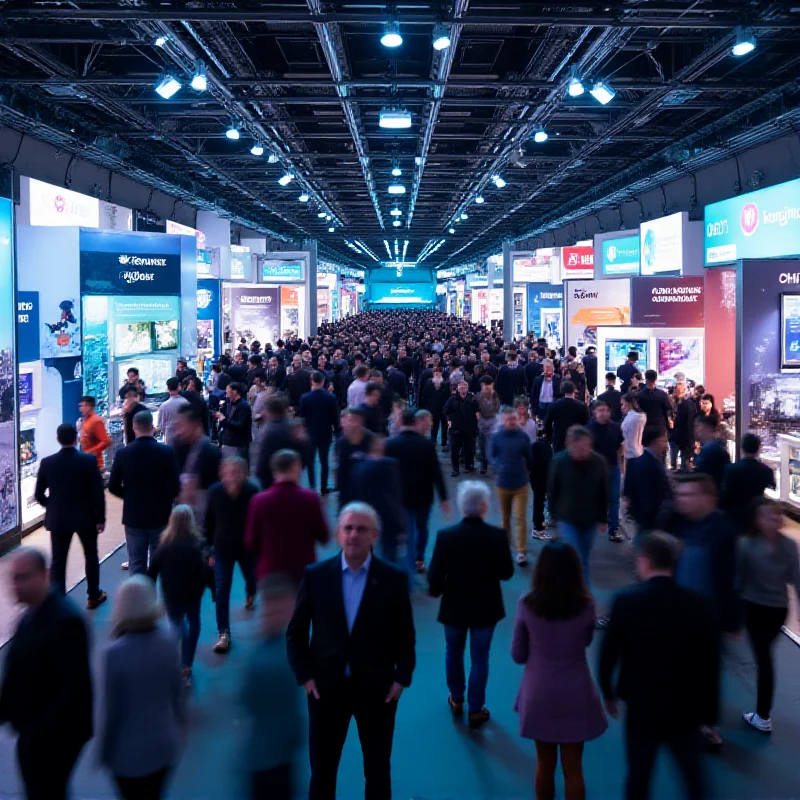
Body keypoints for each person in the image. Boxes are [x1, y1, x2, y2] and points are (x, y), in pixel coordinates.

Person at [286, 503, 416, 800]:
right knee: (322, 772)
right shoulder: (316, 576)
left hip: (378, 691)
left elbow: (405, 635)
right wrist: (305, 677)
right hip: (325, 691)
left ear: (374, 535)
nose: (354, 534)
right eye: (348, 528)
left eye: (361, 529)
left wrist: (400, 680)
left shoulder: (394, 579)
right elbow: (295, 632)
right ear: (338, 534)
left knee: (378, 770)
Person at [599, 533, 718, 800]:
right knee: (693, 779)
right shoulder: (698, 605)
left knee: (639, 776)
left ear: (645, 561)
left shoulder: (625, 601)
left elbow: (609, 653)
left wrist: (608, 692)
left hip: (642, 707)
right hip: (684, 708)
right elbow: (709, 662)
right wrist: (708, 714)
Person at [511, 541, 607, 800]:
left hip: (539, 692)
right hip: (576, 691)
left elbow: (517, 655)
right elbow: (586, 641)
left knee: (544, 765)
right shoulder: (586, 606)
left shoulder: (526, 604)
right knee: (573, 769)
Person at [0, 548, 93, 800]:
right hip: (35, 734)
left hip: (52, 740)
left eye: (23, 577)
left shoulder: (65, 622)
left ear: (44, 576)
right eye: (13, 578)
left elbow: (75, 692)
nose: (15, 585)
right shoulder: (29, 617)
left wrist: (35, 733)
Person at [661, 472, 739, 749]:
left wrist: (732, 620)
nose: (682, 500)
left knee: (707, 672)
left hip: (709, 615)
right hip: (676, 611)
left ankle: (707, 723)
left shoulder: (722, 529)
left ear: (708, 497)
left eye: (689, 494)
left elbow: (731, 577)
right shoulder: (674, 522)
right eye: (680, 495)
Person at [428, 481, 514, 728]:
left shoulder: (446, 537)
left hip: (454, 607)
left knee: (453, 652)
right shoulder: (497, 536)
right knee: (480, 658)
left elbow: (434, 576)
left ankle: (456, 698)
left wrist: (438, 590)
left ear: (461, 506)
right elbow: (507, 573)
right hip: (486, 609)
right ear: (485, 507)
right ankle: (476, 708)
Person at [99, 575, 185, 799]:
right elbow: (178, 694)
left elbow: (113, 711)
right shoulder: (169, 641)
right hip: (163, 746)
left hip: (128, 755)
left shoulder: (114, 654)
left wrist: (104, 750)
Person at [738, 497, 800, 734]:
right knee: (764, 658)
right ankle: (762, 713)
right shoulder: (746, 544)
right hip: (753, 608)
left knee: (764, 658)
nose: (773, 520)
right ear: (757, 520)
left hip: (776, 610)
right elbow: (739, 579)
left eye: (776, 516)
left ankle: (762, 716)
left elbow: (796, 578)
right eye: (767, 516)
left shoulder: (788, 546)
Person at [240, 574, 305, 800]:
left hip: (263, 754)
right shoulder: (280, 656)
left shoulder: (263, 655)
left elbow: (246, 700)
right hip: (275, 756)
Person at [34, 422, 107, 608]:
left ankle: (58, 601)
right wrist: (101, 518)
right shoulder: (88, 461)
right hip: (85, 517)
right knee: (91, 555)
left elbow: (38, 494)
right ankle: (93, 596)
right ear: (76, 438)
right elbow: (97, 493)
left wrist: (51, 505)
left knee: (58, 560)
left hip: (58, 518)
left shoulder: (47, 462)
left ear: (58, 439)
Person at [109, 409, 181, 576]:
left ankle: (139, 599)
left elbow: (113, 485)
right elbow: (175, 485)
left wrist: (128, 496)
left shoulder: (123, 453)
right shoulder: (166, 452)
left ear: (134, 428)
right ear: (152, 427)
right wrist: (165, 499)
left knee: (136, 562)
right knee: (159, 561)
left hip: (134, 515)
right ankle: (157, 599)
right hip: (160, 514)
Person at [246, 449, 330, 586]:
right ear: (295, 467)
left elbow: (251, 542)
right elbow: (323, 536)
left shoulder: (258, 501)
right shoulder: (310, 499)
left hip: (271, 572)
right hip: (302, 571)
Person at [205, 457, 259, 654]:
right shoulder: (215, 492)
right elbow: (208, 523)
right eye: (229, 472)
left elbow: (258, 521)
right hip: (222, 549)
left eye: (237, 473)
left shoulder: (252, 492)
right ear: (222, 474)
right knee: (221, 590)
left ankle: (251, 592)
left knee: (251, 578)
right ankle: (223, 633)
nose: (232, 477)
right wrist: (208, 550)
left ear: (244, 474)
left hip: (246, 548)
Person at [148, 505, 208, 685]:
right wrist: (209, 588)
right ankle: (187, 665)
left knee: (176, 626)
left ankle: (172, 661)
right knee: (194, 623)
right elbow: (204, 572)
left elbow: (151, 572)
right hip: (193, 594)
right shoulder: (197, 546)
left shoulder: (164, 547)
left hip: (171, 595)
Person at [385, 408, 449, 573]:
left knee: (406, 529)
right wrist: (444, 498)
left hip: (401, 496)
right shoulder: (427, 445)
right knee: (422, 527)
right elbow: (436, 472)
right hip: (424, 495)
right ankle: (419, 558)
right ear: (415, 422)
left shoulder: (391, 444)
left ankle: (406, 560)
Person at [548, 426, 608, 589]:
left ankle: (580, 595)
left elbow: (603, 491)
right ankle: (580, 600)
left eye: (587, 445)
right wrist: (552, 513)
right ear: (570, 445)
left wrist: (603, 518)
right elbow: (553, 488)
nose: (584, 450)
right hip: (567, 517)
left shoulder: (598, 462)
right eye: (580, 446)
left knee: (584, 558)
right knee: (576, 559)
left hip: (590, 518)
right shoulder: (559, 461)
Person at [350, 436, 406, 565]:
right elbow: (394, 495)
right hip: (387, 518)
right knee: (389, 557)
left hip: (367, 516)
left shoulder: (358, 468)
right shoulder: (389, 465)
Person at [490, 407, 533, 566]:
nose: (512, 422)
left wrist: (527, 471)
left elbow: (529, 457)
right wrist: (497, 468)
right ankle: (506, 546)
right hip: (503, 483)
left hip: (521, 483)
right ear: (502, 421)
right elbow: (491, 455)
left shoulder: (523, 437)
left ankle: (521, 551)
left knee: (520, 518)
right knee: (505, 519)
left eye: (514, 419)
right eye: (508, 420)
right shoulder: (496, 437)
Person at [172, 404, 222, 533]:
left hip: (205, 523)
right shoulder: (178, 447)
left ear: (196, 424)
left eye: (182, 425)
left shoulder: (211, 453)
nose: (179, 431)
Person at [623, 427, 672, 538]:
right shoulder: (651, 463)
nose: (665, 444)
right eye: (663, 440)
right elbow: (650, 493)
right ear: (655, 441)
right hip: (650, 517)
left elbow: (628, 488)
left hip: (642, 516)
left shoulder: (636, 461)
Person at [721, 433, 776, 527]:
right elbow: (772, 486)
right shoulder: (767, 471)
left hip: (735, 516)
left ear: (742, 449)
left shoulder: (731, 469)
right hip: (756, 516)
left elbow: (726, 493)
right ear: (758, 449)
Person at [298, 371, 340, 493]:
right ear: (322, 382)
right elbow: (334, 417)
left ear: (312, 381)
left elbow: (302, 416)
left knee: (310, 462)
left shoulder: (305, 397)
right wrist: (336, 431)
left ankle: (312, 486)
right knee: (324, 461)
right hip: (325, 432)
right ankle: (323, 486)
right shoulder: (331, 397)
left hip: (310, 433)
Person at [589, 400, 624, 543]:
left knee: (614, 499)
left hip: (613, 467)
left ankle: (613, 528)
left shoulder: (615, 427)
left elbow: (620, 447)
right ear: (594, 413)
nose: (604, 413)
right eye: (600, 410)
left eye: (606, 410)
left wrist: (622, 467)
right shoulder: (589, 429)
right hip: (595, 470)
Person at [256, 395, 301, 489]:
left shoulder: (268, 432)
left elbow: (261, 466)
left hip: (272, 481)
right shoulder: (292, 428)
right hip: (291, 479)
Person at [335, 407, 373, 508]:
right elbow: (340, 468)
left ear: (361, 421)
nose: (352, 424)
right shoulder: (343, 441)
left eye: (354, 420)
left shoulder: (370, 440)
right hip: (348, 493)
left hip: (368, 493)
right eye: (350, 420)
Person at [442, 380, 479, 476]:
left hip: (469, 429)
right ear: (458, 389)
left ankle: (469, 467)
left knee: (469, 450)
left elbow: (478, 411)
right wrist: (449, 420)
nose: (463, 389)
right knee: (454, 450)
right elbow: (445, 410)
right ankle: (455, 469)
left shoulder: (473, 399)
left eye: (464, 387)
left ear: (467, 388)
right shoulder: (452, 399)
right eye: (461, 387)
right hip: (455, 429)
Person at [544, 379, 589, 454]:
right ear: (574, 390)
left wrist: (550, 438)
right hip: (577, 440)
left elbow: (547, 424)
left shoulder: (554, 406)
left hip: (559, 440)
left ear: (562, 390)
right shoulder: (582, 406)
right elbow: (586, 425)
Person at [693, 415, 731, 494]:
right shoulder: (715, 447)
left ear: (707, 427)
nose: (696, 429)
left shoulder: (710, 449)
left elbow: (701, 475)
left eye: (698, 426)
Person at [216, 381, 253, 461]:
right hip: (230, 442)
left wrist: (224, 419)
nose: (227, 395)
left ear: (235, 392)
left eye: (228, 392)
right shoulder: (230, 404)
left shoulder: (243, 406)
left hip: (238, 443)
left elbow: (240, 425)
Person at [530, 427, 553, 542]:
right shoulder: (544, 446)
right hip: (541, 478)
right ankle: (538, 527)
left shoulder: (538, 445)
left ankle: (539, 526)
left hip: (538, 478)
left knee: (539, 501)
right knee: (539, 501)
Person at [420, 366, 450, 449]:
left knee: (444, 425)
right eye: (436, 372)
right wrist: (423, 406)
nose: (437, 374)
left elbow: (448, 396)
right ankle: (433, 440)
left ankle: (444, 441)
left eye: (439, 372)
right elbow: (424, 395)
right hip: (432, 408)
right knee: (434, 425)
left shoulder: (446, 383)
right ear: (433, 373)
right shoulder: (428, 383)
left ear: (441, 373)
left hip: (443, 408)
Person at [78, 395, 111, 471]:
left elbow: (106, 441)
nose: (80, 409)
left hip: (95, 464)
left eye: (82, 406)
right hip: (86, 461)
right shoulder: (85, 421)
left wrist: (90, 453)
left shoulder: (96, 421)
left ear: (88, 407)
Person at [670, 381, 697, 472]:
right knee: (673, 459)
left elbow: (690, 421)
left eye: (681, 389)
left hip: (684, 434)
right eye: (677, 389)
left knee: (684, 460)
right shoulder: (672, 401)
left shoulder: (688, 403)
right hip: (674, 434)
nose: (679, 391)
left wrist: (691, 439)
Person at [635, 369, 671, 435]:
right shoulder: (662, 394)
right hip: (660, 427)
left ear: (646, 379)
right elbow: (668, 410)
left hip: (644, 427)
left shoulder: (639, 395)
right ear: (656, 379)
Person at [157, 377, 190, 444]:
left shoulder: (163, 406)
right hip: (185, 438)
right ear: (179, 387)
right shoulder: (186, 403)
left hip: (170, 438)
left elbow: (161, 426)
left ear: (168, 388)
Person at [620, 392, 646, 461]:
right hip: (639, 450)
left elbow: (623, 437)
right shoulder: (642, 416)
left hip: (629, 453)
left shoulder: (630, 418)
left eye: (622, 404)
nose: (621, 407)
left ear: (628, 403)